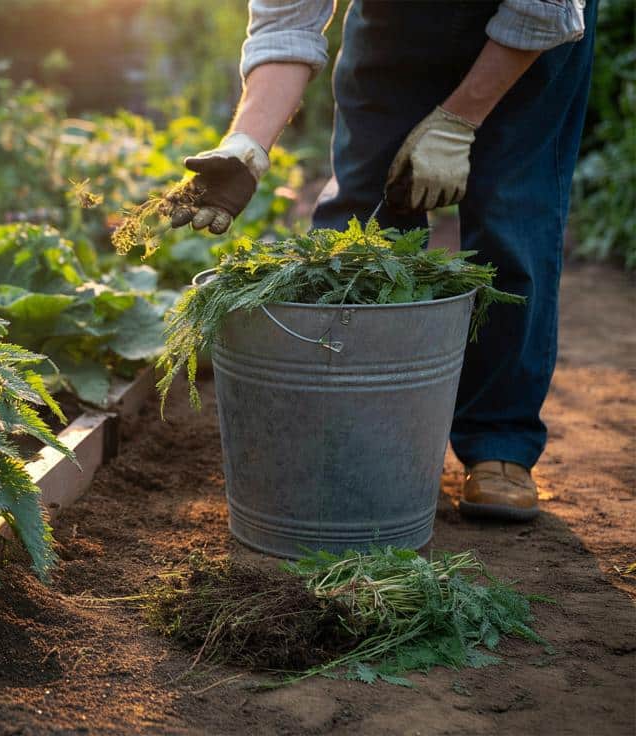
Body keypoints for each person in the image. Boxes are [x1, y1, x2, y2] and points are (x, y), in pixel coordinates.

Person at [175, 0, 596, 521]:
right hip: (395, 21)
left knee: (510, 217)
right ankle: (347, 426)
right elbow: (286, 23)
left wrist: (458, 122)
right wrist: (247, 146)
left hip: (536, 26)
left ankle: (499, 443)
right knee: (363, 216)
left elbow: (543, 10)